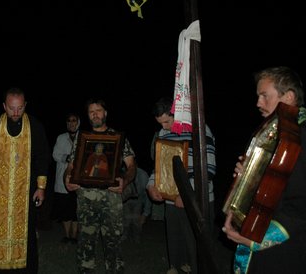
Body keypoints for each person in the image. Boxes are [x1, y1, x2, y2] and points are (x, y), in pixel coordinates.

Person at [222, 66, 306, 273]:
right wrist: (247, 177)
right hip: (265, 253)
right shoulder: (272, 135)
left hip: (289, 254)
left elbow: (305, 207)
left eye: (265, 95)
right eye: (258, 96)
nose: (258, 103)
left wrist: (255, 239)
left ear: (289, 97)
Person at [0, 87, 49, 273]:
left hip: (25, 194)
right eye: (11, 108)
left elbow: (42, 157)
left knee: (27, 234)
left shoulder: (35, 127)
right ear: (4, 106)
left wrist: (41, 187)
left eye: (20, 108)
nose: (16, 113)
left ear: (25, 105)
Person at [64, 98, 137, 274]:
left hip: (111, 200)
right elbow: (71, 165)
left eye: (98, 110)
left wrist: (125, 180)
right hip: (86, 199)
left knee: (113, 242)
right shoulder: (82, 138)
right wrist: (67, 177)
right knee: (85, 241)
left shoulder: (117, 138)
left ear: (105, 113)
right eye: (91, 112)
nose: (95, 114)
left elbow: (131, 166)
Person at [146, 96, 216, 274]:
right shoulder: (163, 133)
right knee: (176, 241)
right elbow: (160, 165)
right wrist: (152, 185)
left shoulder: (199, 129)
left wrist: (186, 194)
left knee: (197, 247)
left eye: (167, 121)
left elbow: (209, 169)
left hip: (197, 200)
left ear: (176, 114)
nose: (164, 127)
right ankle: (175, 267)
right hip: (171, 198)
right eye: (160, 123)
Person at [52, 112, 80, 244]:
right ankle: (67, 235)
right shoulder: (61, 137)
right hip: (62, 180)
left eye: (74, 120)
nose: (71, 123)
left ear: (78, 122)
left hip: (79, 180)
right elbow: (55, 155)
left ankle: (74, 236)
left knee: (76, 210)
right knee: (65, 210)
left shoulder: (83, 137)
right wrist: (67, 157)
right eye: (69, 121)